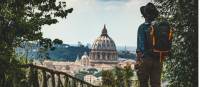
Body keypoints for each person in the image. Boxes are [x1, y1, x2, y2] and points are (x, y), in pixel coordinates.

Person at [136, 2, 163, 87]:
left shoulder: (142, 27)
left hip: (146, 59)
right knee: (156, 84)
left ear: (144, 15)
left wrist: (138, 60)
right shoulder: (159, 27)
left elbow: (141, 47)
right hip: (158, 59)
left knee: (143, 83)